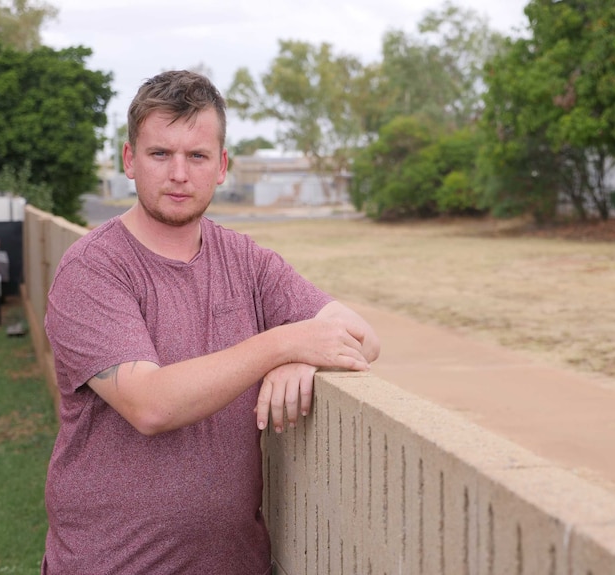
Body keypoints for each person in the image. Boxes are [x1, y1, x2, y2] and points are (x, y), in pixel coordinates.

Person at [41, 70, 380, 574]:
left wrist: (303, 358)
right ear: (129, 160)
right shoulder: (93, 268)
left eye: (196, 156)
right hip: (111, 563)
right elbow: (150, 404)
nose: (179, 173)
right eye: (160, 154)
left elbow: (360, 336)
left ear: (221, 166)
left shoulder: (244, 260)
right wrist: (284, 345)